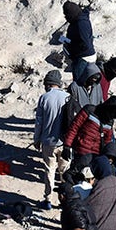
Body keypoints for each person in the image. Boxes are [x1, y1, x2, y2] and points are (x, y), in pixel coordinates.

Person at [33, 69, 70, 210]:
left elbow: (39, 123)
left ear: (48, 84)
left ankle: (48, 199)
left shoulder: (44, 98)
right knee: (65, 172)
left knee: (49, 170)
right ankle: (66, 200)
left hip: (48, 142)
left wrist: (37, 140)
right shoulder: (67, 97)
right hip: (65, 142)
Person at [64, 96, 116, 169]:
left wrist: (107, 156)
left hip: (95, 155)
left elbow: (107, 141)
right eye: (112, 111)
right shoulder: (89, 111)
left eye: (115, 113)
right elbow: (74, 127)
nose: (112, 114)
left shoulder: (109, 122)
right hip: (80, 151)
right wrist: (67, 145)